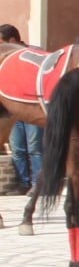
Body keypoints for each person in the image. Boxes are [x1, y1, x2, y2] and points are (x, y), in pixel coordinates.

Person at [0, 25, 41, 195]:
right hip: (12, 109)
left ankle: (38, 185)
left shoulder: (33, 54)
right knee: (17, 148)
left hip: (31, 108)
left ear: (12, 41)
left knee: (35, 147)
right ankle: (24, 184)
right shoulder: (4, 58)